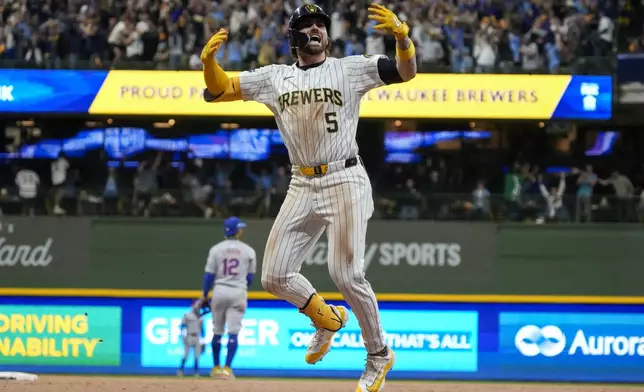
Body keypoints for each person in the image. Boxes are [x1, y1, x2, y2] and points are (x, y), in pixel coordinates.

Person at [200, 3, 416, 391]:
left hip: (344, 176)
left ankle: (379, 354)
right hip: (302, 182)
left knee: (345, 273)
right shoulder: (274, 77)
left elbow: (405, 72)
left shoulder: (349, 68)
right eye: (306, 24)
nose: (315, 29)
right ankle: (325, 318)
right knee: (274, 275)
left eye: (320, 24)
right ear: (293, 37)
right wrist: (209, 63)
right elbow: (217, 90)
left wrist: (402, 39)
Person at [198, 216, 256, 380]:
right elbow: (250, 278)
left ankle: (216, 368)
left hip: (220, 290)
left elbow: (209, 275)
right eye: (240, 228)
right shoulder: (249, 250)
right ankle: (227, 369)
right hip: (238, 291)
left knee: (217, 331)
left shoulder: (216, 249)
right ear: (237, 230)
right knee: (233, 333)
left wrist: (204, 295)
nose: (242, 230)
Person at [177, 300, 208, 377]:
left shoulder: (201, 316)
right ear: (192, 306)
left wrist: (203, 340)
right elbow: (182, 325)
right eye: (195, 305)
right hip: (189, 335)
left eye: (198, 305)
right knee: (186, 355)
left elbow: (202, 329)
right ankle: (180, 370)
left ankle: (196, 372)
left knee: (197, 355)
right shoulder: (187, 315)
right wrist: (182, 335)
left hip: (197, 336)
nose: (197, 306)